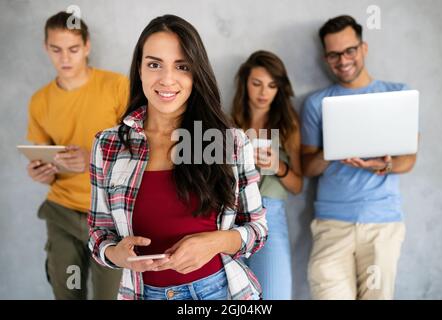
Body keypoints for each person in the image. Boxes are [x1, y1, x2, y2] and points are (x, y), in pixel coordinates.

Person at [88, 14, 267, 300]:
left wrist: (216, 242)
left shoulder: (229, 142)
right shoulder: (108, 146)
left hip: (220, 292)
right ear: (140, 69)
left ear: (196, 73)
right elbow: (99, 233)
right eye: (154, 64)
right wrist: (115, 254)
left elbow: (257, 230)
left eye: (182, 66)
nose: (167, 79)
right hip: (142, 294)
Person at [301, 15, 417, 300]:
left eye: (349, 50)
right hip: (331, 224)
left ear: (363, 48)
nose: (343, 60)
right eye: (334, 54)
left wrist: (384, 164)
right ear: (326, 58)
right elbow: (306, 167)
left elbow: (409, 160)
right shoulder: (317, 103)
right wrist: (333, 150)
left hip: (382, 223)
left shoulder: (397, 95)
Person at [26, 11, 127, 299]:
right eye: (56, 49)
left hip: (109, 215)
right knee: (68, 293)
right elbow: (44, 157)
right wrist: (40, 173)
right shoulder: (39, 101)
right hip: (62, 213)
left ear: (87, 47)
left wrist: (92, 160)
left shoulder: (117, 87)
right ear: (46, 48)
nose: (65, 58)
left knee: (109, 296)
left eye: (72, 49)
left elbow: (143, 150)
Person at [231, 50, 302, 299]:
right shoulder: (229, 125)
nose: (263, 93)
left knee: (274, 295)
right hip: (232, 219)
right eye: (257, 84)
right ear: (245, 84)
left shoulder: (288, 125)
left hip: (271, 216)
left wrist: (278, 167)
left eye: (272, 86)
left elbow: (297, 186)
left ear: (279, 89)